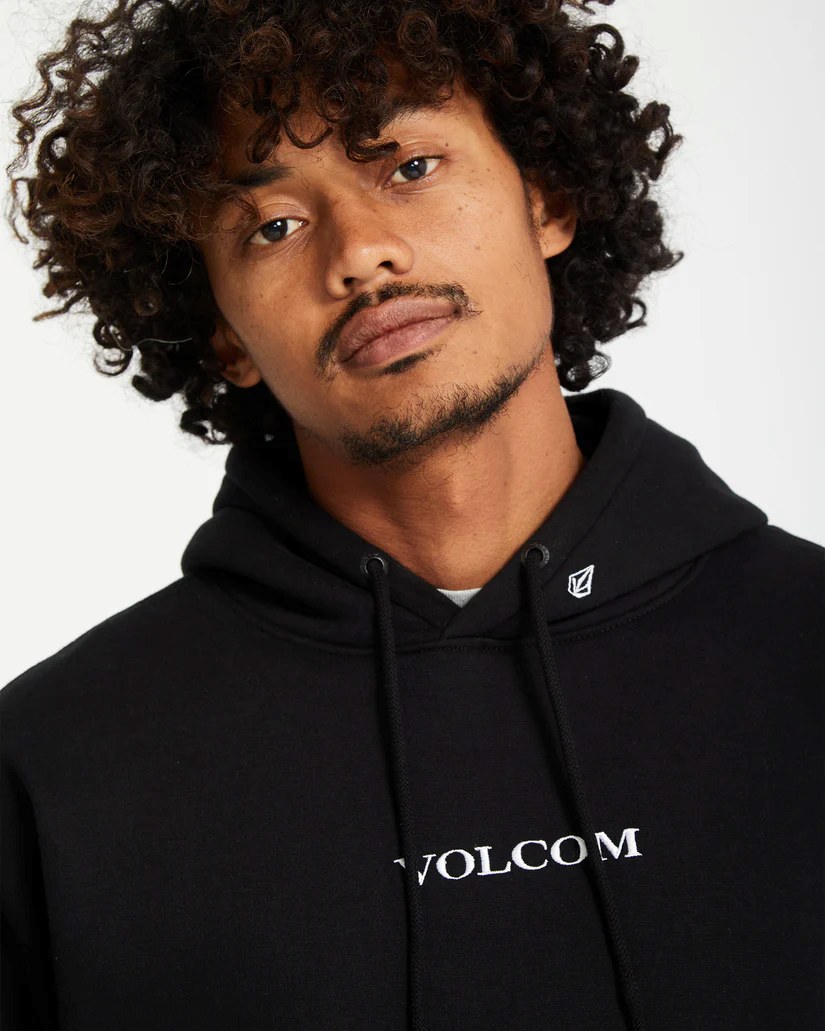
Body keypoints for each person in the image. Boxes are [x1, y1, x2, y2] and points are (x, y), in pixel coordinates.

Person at [2, 0, 822, 1028]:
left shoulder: (806, 646)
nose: (361, 253)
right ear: (224, 336)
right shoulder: (56, 767)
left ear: (548, 199)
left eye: (410, 167)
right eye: (274, 225)